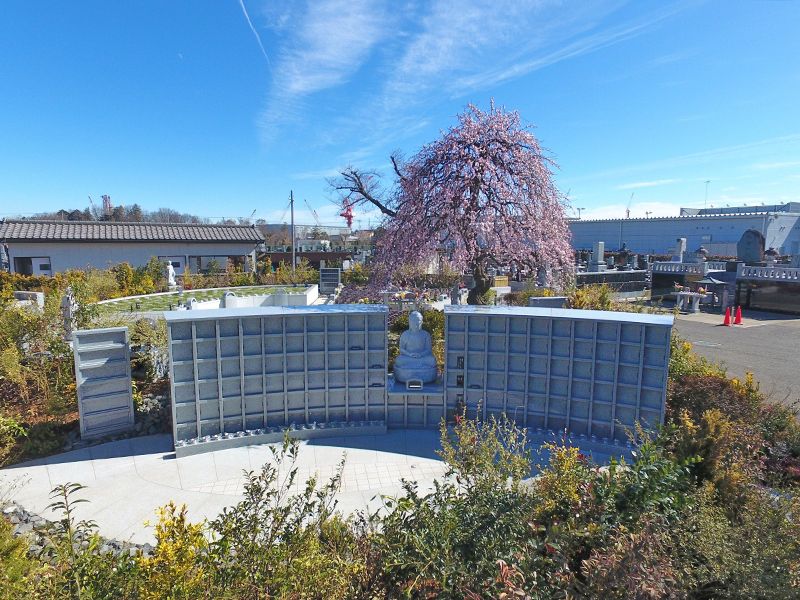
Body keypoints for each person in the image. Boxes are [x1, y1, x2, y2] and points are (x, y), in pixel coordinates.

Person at [393, 311, 438, 383]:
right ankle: (418, 366)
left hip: (422, 357)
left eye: (418, 320)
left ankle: (412, 366)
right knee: (399, 361)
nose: (416, 323)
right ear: (409, 322)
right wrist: (409, 354)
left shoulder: (426, 335)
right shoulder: (405, 334)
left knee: (432, 361)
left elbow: (428, 349)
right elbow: (401, 349)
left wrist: (421, 354)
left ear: (421, 322)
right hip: (408, 357)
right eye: (413, 320)